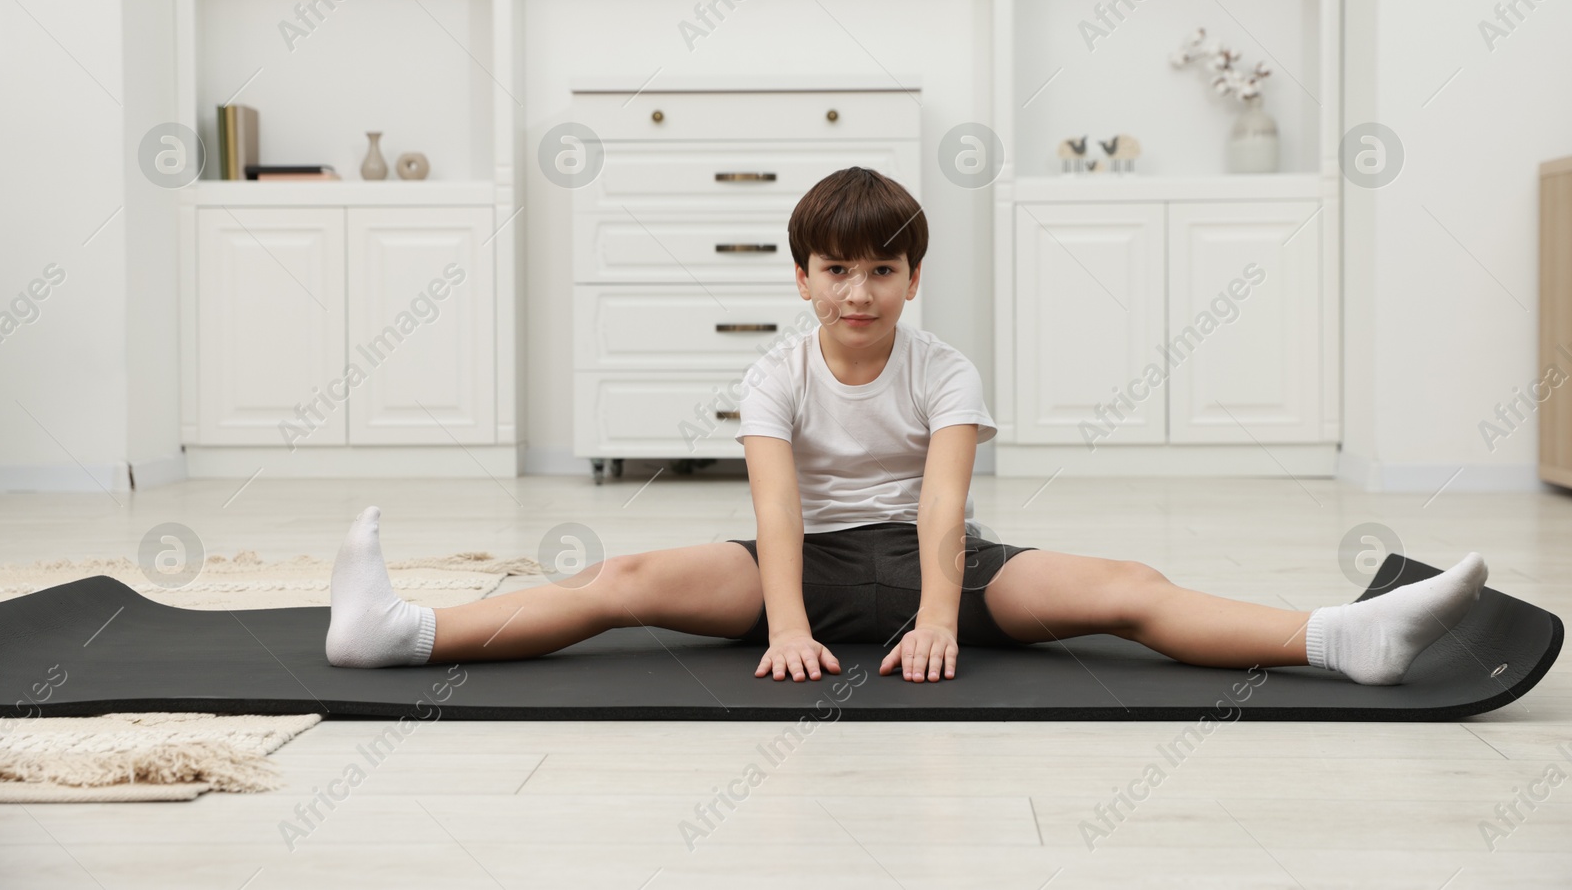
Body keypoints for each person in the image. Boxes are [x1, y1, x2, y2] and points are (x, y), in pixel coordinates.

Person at [325, 166, 1487, 686]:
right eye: (836, 269)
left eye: (881, 269)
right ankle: (399, 632)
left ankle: (1344, 637)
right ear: (803, 277)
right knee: (619, 574)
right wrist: (783, 625)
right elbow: (773, 513)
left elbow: (941, 504)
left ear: (912, 275)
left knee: (1130, 583)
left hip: (948, 568)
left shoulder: (945, 366)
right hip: (810, 570)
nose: (858, 292)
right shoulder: (772, 373)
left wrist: (941, 616)